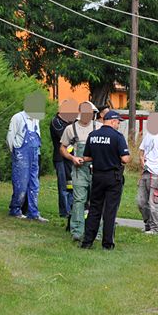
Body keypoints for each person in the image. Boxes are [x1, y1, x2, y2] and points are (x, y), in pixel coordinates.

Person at [80, 111, 131, 250]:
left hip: (97, 176)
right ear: (112, 121)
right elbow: (125, 159)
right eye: (118, 122)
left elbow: (87, 157)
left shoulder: (93, 135)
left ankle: (87, 241)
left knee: (94, 209)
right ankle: (107, 244)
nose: (119, 125)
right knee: (110, 211)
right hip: (113, 177)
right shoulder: (117, 137)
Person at [60, 102, 99, 242]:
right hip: (79, 169)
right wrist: (72, 158)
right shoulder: (70, 129)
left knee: (96, 201)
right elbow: (63, 148)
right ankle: (77, 232)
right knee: (79, 200)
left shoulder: (98, 127)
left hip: (97, 170)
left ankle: (96, 232)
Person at [7, 92, 48, 222]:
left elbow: (38, 137)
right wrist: (15, 154)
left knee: (34, 185)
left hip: (35, 155)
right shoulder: (18, 118)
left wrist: (38, 154)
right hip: (21, 156)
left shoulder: (36, 118)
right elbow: (10, 138)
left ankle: (33, 213)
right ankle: (15, 210)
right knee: (21, 185)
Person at [137, 112, 158, 234]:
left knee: (154, 203)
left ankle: (155, 228)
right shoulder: (148, 136)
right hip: (145, 173)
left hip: (156, 174)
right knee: (141, 202)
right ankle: (148, 224)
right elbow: (141, 152)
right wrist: (141, 161)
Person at [50, 100, 77, 217]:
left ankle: (72, 209)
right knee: (63, 186)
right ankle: (64, 212)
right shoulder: (56, 122)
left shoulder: (72, 122)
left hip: (71, 158)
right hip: (60, 158)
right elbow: (66, 138)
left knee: (71, 184)